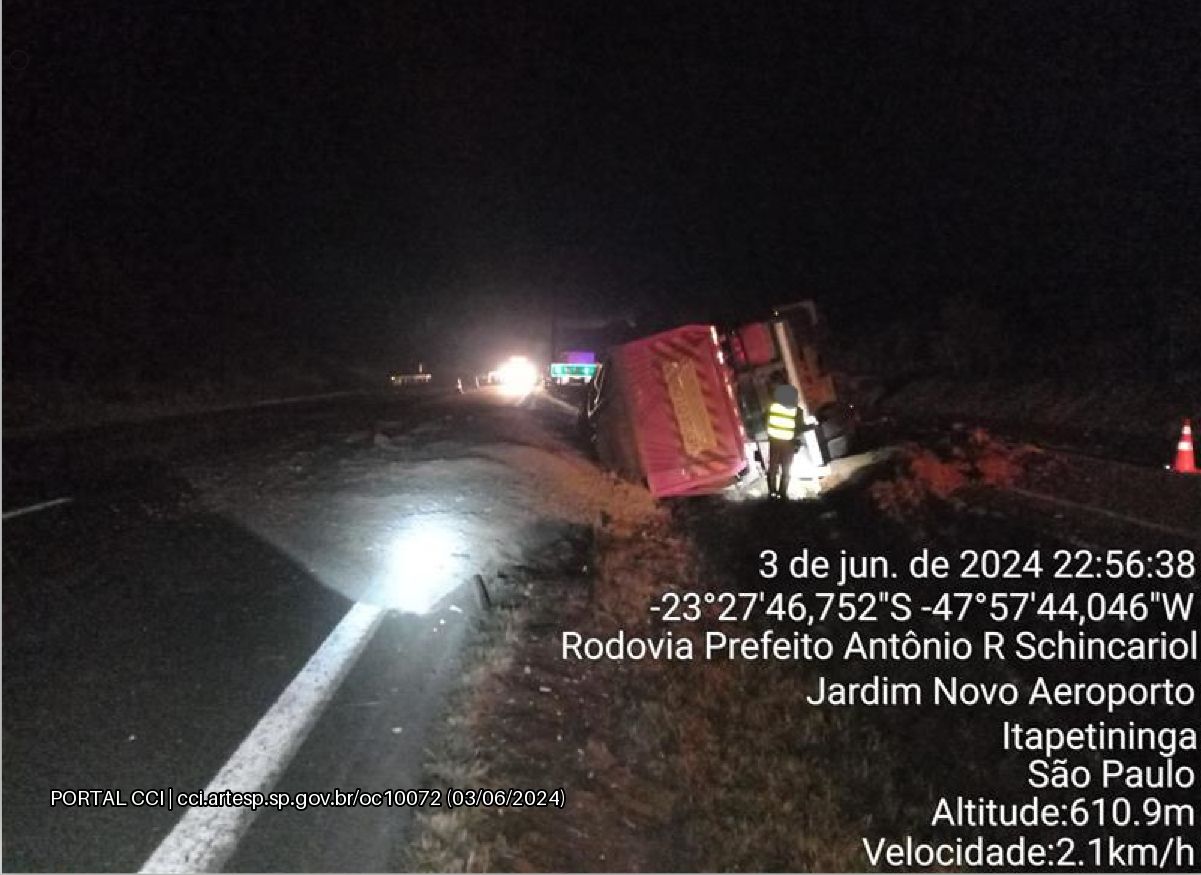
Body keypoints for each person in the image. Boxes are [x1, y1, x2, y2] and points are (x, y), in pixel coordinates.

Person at [766, 382, 799, 499]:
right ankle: (783, 492)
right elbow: (798, 428)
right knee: (786, 468)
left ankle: (772, 492)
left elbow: (766, 420)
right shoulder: (795, 410)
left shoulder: (773, 407)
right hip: (788, 443)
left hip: (774, 441)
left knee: (773, 467)